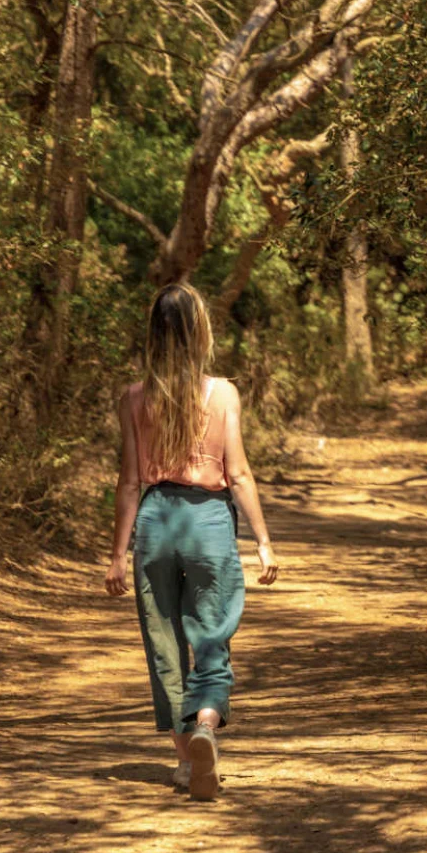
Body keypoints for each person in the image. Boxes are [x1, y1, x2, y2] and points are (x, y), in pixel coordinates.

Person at [107, 282, 277, 801]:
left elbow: (131, 482)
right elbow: (240, 473)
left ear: (152, 334)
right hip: (207, 522)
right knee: (211, 635)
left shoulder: (134, 398)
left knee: (163, 646)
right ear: (200, 330)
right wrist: (263, 542)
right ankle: (205, 724)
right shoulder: (223, 393)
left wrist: (117, 554)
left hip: (155, 524)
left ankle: (185, 762)